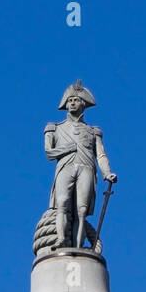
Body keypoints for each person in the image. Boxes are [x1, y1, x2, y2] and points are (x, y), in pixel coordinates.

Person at [45, 80, 117, 249]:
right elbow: (49, 153)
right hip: (65, 167)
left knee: (81, 210)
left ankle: (78, 245)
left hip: (86, 167)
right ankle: (61, 238)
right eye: (69, 100)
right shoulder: (54, 128)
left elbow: (100, 155)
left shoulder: (93, 131)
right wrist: (66, 148)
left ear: (83, 104)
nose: (72, 103)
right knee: (62, 203)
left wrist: (107, 173)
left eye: (75, 100)